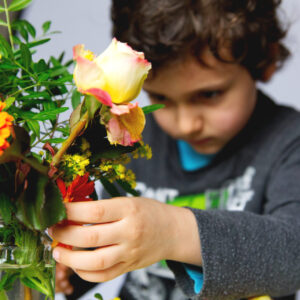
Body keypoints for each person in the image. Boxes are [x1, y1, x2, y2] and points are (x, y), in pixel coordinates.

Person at [50, 0, 300, 299]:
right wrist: (76, 264)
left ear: (266, 60)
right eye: (161, 98)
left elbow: (292, 254)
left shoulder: (288, 140)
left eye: (209, 94)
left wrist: (173, 231)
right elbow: (116, 246)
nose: (185, 124)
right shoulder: (131, 137)